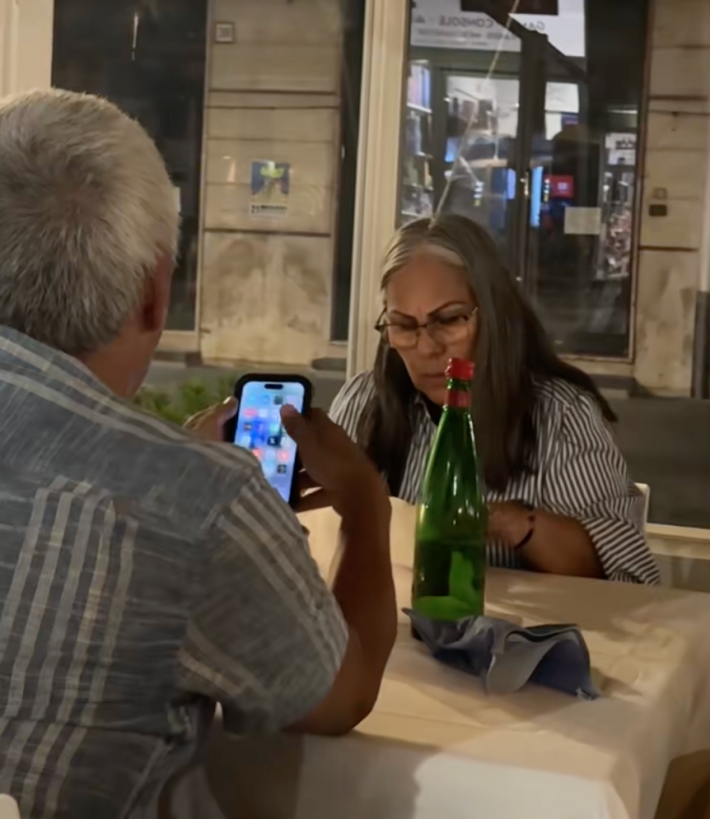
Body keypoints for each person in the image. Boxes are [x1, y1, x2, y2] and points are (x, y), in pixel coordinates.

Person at [0, 89, 396, 819]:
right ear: (156, 292)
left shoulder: (185, 490)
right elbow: (340, 694)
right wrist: (368, 513)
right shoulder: (199, 503)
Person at [330, 214, 659, 585]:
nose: (427, 347)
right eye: (404, 326)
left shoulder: (561, 416)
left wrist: (513, 524)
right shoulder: (362, 401)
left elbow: (626, 578)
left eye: (449, 320)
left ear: (493, 315)